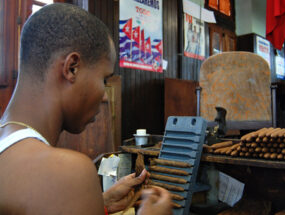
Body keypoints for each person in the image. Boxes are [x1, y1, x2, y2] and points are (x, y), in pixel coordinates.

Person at [0, 3, 172, 215]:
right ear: (72, 68)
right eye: (104, 78)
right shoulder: (67, 173)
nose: (103, 96)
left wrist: (101, 204)